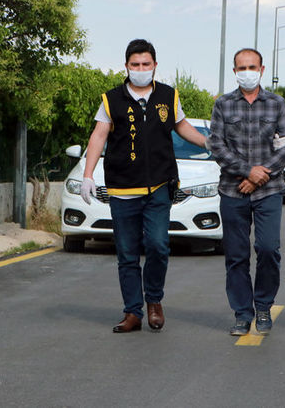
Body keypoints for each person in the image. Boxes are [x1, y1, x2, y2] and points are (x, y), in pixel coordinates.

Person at [80, 39, 206, 333]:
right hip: (123, 189)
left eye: (145, 64)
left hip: (158, 186)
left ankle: (154, 300)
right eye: (135, 65)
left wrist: (207, 142)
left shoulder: (168, 96)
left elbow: (182, 125)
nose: (140, 69)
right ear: (126, 66)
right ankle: (132, 312)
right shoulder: (111, 99)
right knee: (127, 253)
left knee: (158, 246)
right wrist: (88, 175)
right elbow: (99, 135)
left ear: (155, 65)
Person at [208, 48, 285, 336]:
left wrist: (259, 176)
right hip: (232, 191)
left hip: (268, 190)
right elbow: (217, 146)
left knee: (268, 249)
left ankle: (264, 306)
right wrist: (247, 171)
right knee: (236, 256)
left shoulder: (276, 104)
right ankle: (242, 313)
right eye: (242, 68)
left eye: (252, 67)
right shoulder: (223, 104)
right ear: (235, 71)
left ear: (262, 69)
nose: (247, 72)